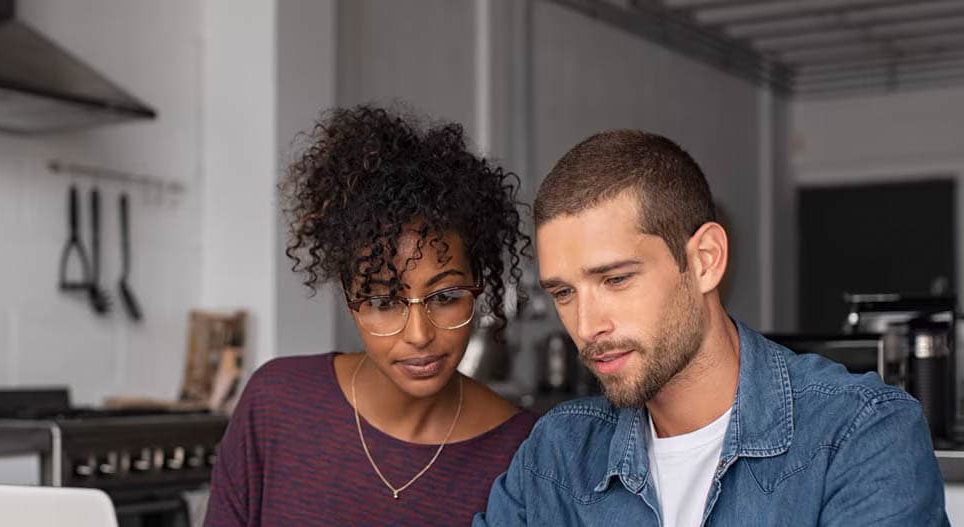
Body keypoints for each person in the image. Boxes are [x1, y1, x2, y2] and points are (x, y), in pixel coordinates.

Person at [476, 130, 947, 526]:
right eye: (563, 293)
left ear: (705, 261)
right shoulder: (558, 453)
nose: (585, 325)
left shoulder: (861, 433)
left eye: (616, 279)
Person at [205, 105, 538, 526]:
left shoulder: (526, 452)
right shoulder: (276, 404)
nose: (419, 335)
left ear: (479, 288)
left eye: (446, 296)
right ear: (349, 298)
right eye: (384, 302)